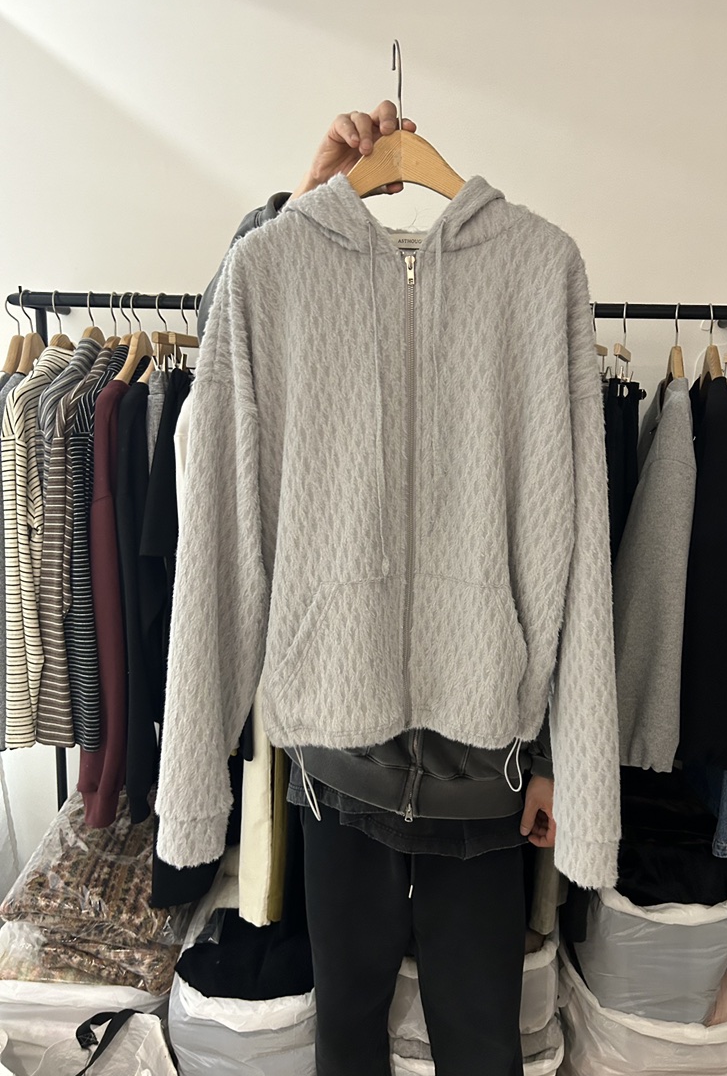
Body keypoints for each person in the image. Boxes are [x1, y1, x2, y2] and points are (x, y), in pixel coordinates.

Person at [197, 102, 558, 1076]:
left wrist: (554, 755)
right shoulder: (287, 278)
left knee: (481, 1043)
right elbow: (222, 355)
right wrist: (299, 206)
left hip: (484, 770)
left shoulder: (528, 281)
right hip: (338, 763)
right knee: (346, 1031)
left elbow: (561, 550)